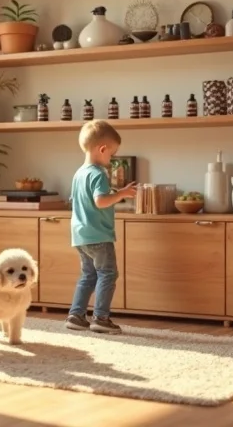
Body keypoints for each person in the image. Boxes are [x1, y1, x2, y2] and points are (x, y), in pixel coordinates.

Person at [66, 120, 137, 334]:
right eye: (112, 154)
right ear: (103, 149)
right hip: (98, 235)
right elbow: (100, 201)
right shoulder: (98, 173)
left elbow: (80, 200)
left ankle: (76, 315)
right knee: (108, 274)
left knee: (88, 275)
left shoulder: (79, 173)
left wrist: (113, 192)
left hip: (80, 236)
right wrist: (122, 194)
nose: (111, 159)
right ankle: (101, 318)